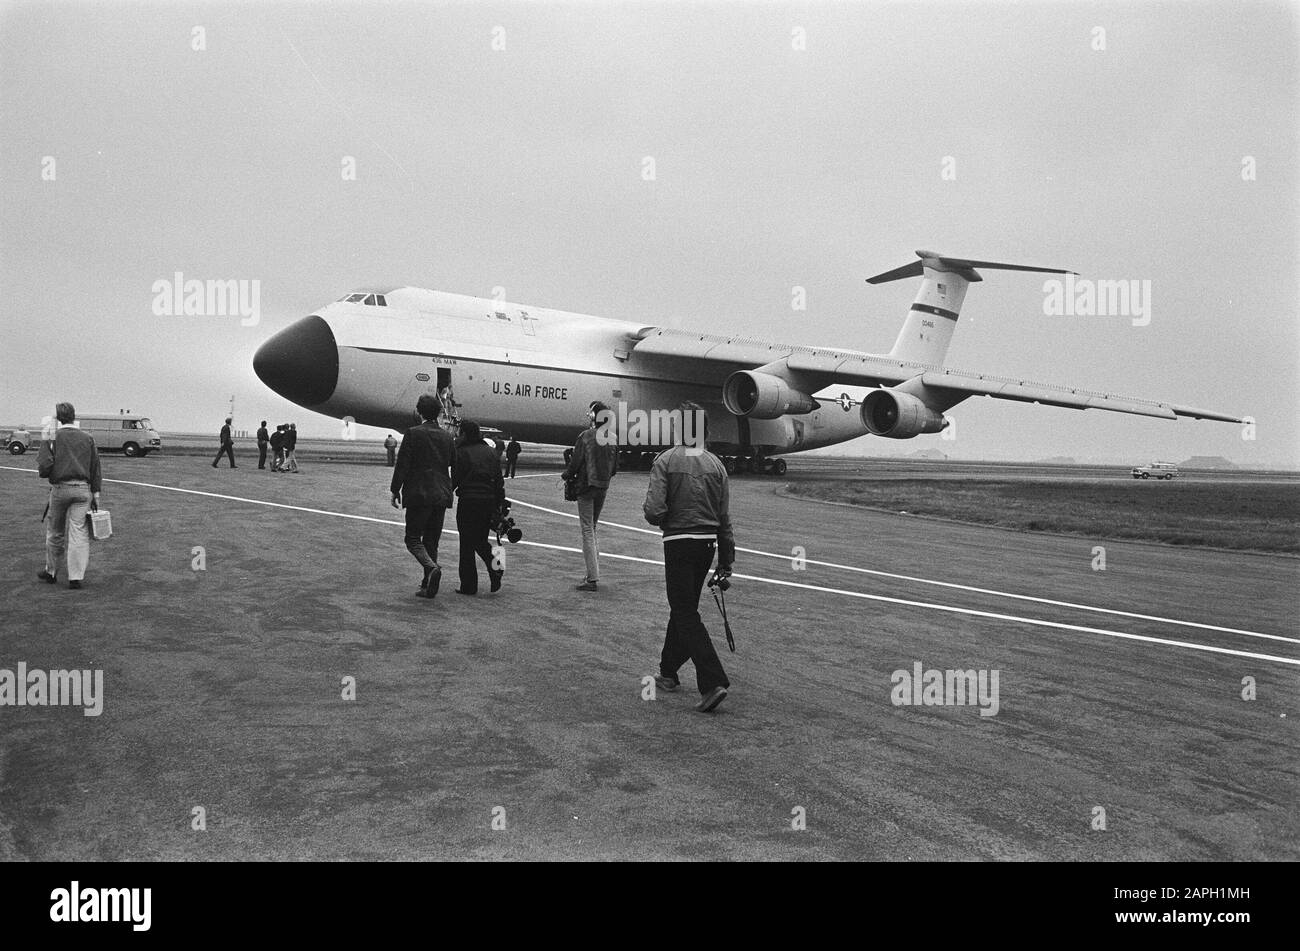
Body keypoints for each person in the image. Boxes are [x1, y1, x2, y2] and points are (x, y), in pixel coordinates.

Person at [643, 402, 734, 713]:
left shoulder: (665, 460)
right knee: (684, 607)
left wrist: (669, 515)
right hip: (707, 545)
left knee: (683, 611)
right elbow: (725, 518)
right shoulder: (716, 465)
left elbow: (654, 511)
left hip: (679, 541)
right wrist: (726, 561)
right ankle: (668, 671)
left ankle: (713, 680)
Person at [391, 394, 457, 598]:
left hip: (419, 493)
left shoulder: (413, 433)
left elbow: (403, 464)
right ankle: (427, 584)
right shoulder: (447, 436)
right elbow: (453, 463)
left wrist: (395, 489)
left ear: (419, 412)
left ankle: (432, 568)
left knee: (412, 539)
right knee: (431, 541)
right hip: (441, 494)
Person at [36, 402, 103, 590]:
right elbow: (95, 466)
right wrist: (96, 493)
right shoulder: (87, 438)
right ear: (73, 416)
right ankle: (75, 577)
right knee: (78, 532)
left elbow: (44, 467)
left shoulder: (52, 437)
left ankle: (51, 571)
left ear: (57, 418)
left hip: (60, 488)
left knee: (55, 531)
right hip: (82, 489)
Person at [562, 401, 619, 591]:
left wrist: (566, 475)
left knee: (587, 529)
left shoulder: (586, 436)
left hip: (586, 486)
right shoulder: (612, 437)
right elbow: (615, 468)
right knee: (592, 528)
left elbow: (576, 463)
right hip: (602, 487)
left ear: (594, 417)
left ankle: (592, 577)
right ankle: (592, 573)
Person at [452, 419, 505, 595]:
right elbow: (499, 481)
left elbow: (455, 479)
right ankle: (497, 566)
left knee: (466, 544)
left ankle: (469, 585)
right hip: (488, 501)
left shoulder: (461, 452)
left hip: (468, 500)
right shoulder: (491, 453)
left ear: (465, 434)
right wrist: (498, 505)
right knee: (481, 540)